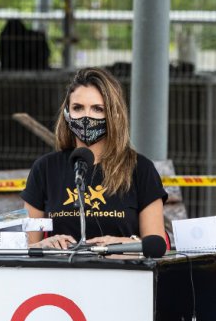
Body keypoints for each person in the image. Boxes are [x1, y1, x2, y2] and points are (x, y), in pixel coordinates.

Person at [21, 67, 167, 249]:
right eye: (78, 108)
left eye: (98, 109)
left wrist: (123, 245)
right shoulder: (46, 168)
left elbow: (156, 245)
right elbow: (26, 247)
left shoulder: (140, 169)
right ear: (67, 113)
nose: (86, 117)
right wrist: (44, 245)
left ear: (114, 114)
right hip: (60, 267)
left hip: (122, 267)